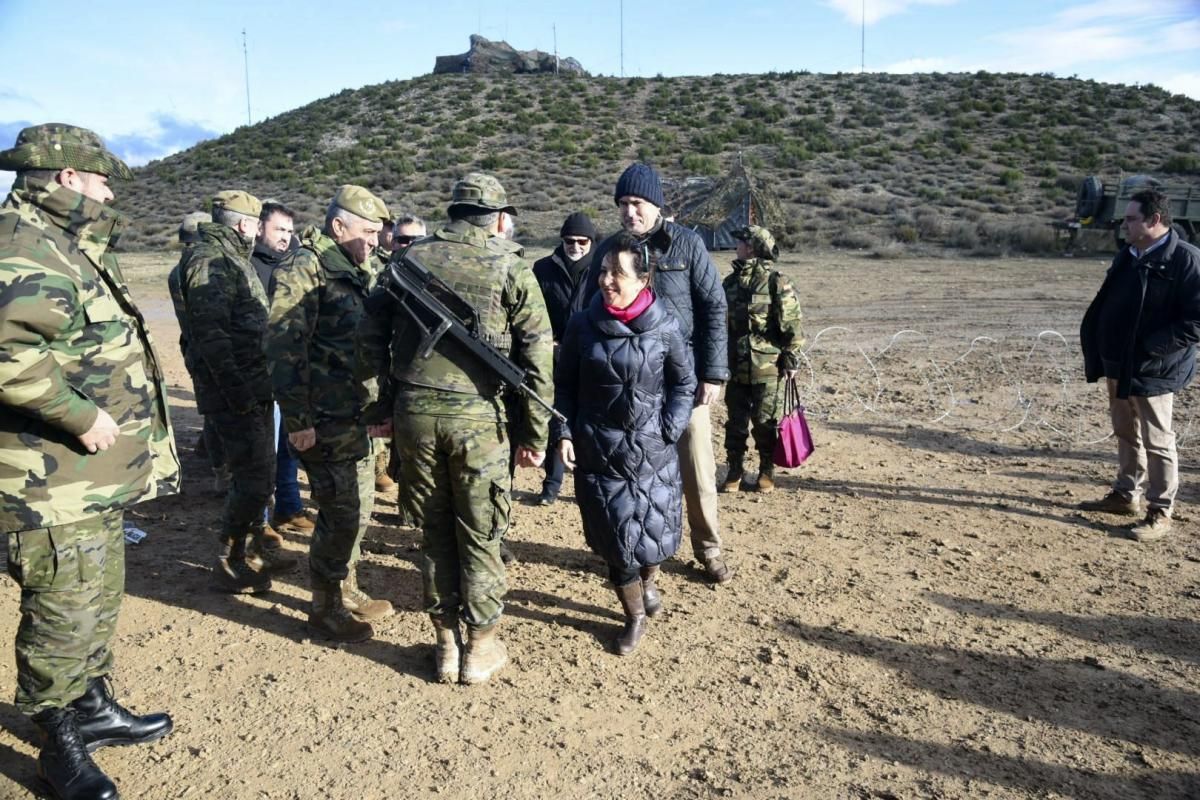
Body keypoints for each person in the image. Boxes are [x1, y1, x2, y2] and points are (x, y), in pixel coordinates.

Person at [0, 123, 180, 800]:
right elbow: (6, 355)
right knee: (62, 613)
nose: (109, 191)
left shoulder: (60, 240)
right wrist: (81, 414)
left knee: (96, 598)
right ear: (67, 178)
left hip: (87, 478)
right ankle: (57, 743)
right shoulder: (20, 244)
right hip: (49, 481)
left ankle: (92, 705)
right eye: (100, 178)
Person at [360, 172, 553, 685]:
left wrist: (384, 405)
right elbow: (537, 356)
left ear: (452, 212)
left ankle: (445, 642)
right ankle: (480, 647)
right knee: (481, 531)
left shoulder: (408, 259)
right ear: (497, 218)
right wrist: (534, 435)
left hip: (415, 417)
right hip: (477, 419)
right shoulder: (511, 268)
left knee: (434, 531)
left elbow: (372, 339)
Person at [584, 162, 733, 584]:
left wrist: (714, 374)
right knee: (632, 472)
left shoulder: (687, 246)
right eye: (623, 204)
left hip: (681, 382)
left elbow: (714, 308)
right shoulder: (608, 248)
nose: (630, 212)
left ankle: (708, 548)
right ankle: (635, 554)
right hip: (626, 383)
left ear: (656, 205)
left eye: (638, 203)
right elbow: (589, 309)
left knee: (697, 470)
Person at [555, 232, 696, 655]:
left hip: (653, 450)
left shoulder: (665, 323)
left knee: (654, 534)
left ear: (644, 278)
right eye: (603, 271)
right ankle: (633, 615)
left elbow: (683, 383)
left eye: (617, 273)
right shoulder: (582, 325)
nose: (606, 281)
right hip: (600, 450)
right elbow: (564, 388)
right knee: (617, 542)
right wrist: (564, 432)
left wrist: (669, 428)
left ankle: (649, 583)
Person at [267, 185, 394, 642]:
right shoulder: (307, 270)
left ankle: (345, 586)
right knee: (340, 513)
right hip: (322, 419)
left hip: (356, 415)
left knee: (358, 511)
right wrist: (298, 422)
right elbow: (284, 349)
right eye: (367, 232)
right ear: (338, 227)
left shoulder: (359, 269)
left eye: (379, 233)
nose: (375, 241)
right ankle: (325, 608)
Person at [174, 190, 298, 591]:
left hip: (251, 385)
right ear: (246, 224)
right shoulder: (212, 260)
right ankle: (231, 560)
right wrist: (239, 394)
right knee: (253, 478)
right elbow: (212, 339)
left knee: (258, 475)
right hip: (238, 393)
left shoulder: (226, 258)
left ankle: (250, 552)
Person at [1079, 189, 1200, 541]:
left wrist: (1149, 349)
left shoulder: (1186, 261)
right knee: (1125, 430)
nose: (1124, 225)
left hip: (1154, 368)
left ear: (1155, 220)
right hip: (1118, 363)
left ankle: (1160, 510)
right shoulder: (1129, 255)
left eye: (1131, 219)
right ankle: (1125, 494)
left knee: (1158, 440)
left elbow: (1194, 322)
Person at [721, 226, 804, 493]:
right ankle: (734, 469)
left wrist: (790, 358)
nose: (736, 245)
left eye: (741, 241)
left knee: (765, 422)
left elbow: (791, 323)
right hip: (734, 365)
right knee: (735, 422)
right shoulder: (730, 283)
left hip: (767, 367)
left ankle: (766, 470)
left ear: (753, 247)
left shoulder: (776, 282)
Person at [249, 201, 314, 535]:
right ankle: (260, 520)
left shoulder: (295, 266)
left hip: (290, 375)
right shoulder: (250, 268)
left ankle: (288, 508)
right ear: (259, 228)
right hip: (260, 372)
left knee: (289, 445)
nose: (286, 237)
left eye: (290, 231)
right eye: (279, 229)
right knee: (262, 452)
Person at [531, 211, 598, 505]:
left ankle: (591, 486)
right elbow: (533, 311)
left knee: (590, 423)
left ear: (591, 242)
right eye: (569, 241)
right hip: (553, 355)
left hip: (592, 354)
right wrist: (547, 340)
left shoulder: (600, 268)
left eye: (582, 241)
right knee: (555, 419)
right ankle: (551, 486)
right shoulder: (543, 268)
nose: (575, 246)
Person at [374, 213, 428, 496]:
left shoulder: (434, 281)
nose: (406, 244)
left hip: (417, 374)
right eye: (401, 239)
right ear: (391, 242)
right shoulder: (381, 275)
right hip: (385, 371)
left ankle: (411, 507)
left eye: (414, 240)